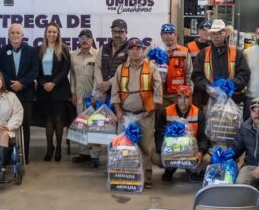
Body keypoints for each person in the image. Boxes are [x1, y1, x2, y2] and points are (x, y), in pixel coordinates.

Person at [111, 37, 163, 188]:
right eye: (132, 48)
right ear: (128, 51)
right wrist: (118, 110)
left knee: (146, 147)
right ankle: (126, 175)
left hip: (145, 115)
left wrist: (152, 107)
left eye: (138, 48)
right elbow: (115, 92)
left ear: (142, 50)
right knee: (124, 146)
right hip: (125, 115)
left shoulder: (151, 67)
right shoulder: (121, 69)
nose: (135, 51)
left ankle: (146, 177)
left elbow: (158, 89)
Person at [0, 24, 38, 164]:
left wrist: (22, 83)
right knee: (8, 125)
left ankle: (24, 155)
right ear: (8, 35)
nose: (15, 35)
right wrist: (10, 82)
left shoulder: (31, 51)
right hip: (7, 93)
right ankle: (7, 155)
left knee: (25, 125)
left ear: (22, 35)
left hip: (26, 94)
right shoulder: (2, 51)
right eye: (12, 33)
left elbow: (34, 70)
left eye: (18, 33)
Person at [192, 19, 250, 107]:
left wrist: (230, 85)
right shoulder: (203, 54)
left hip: (232, 100)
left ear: (225, 34)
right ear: (210, 35)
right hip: (209, 100)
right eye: (213, 33)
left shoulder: (236, 53)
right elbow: (196, 76)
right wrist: (209, 88)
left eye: (220, 33)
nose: (216, 36)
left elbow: (244, 75)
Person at [156, 85, 209, 182]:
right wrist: (161, 151)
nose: (183, 100)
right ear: (176, 99)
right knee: (153, 156)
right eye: (180, 97)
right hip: (170, 151)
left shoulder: (199, 114)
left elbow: (203, 137)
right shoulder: (166, 112)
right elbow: (159, 134)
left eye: (186, 97)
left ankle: (192, 170)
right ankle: (169, 169)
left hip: (192, 151)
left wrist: (201, 152)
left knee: (207, 159)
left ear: (191, 99)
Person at [36, 23, 71, 162]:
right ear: (45, 33)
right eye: (49, 31)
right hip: (44, 89)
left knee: (58, 120)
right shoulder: (39, 49)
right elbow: (36, 70)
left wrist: (54, 83)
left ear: (58, 34)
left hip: (60, 88)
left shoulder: (64, 49)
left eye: (54, 32)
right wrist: (44, 83)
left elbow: (65, 69)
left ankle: (59, 148)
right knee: (49, 120)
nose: (51, 34)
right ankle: (49, 148)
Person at [70, 29, 101, 167]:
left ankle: (95, 155)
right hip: (79, 96)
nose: (85, 40)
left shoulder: (97, 55)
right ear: (79, 40)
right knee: (81, 124)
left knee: (94, 126)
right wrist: (73, 93)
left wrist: (96, 94)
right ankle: (84, 153)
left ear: (92, 40)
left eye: (88, 38)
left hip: (92, 96)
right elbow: (73, 76)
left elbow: (98, 76)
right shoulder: (73, 55)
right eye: (82, 38)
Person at [156, 24, 193, 107]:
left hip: (178, 96)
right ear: (161, 36)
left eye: (171, 33)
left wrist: (188, 94)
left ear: (175, 35)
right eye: (165, 33)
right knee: (160, 119)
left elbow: (189, 75)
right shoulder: (155, 51)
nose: (168, 36)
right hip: (159, 96)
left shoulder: (184, 51)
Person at [94, 19, 129, 101]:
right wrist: (101, 87)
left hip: (121, 95)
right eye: (114, 32)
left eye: (120, 32)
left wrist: (109, 83)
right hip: (104, 94)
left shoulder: (130, 49)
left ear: (126, 32)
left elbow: (127, 71)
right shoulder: (104, 48)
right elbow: (97, 67)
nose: (117, 35)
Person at [188, 20, 212, 107]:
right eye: (203, 30)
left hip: (211, 87)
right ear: (199, 31)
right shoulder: (189, 46)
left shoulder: (215, 46)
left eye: (209, 30)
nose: (207, 32)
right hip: (195, 87)